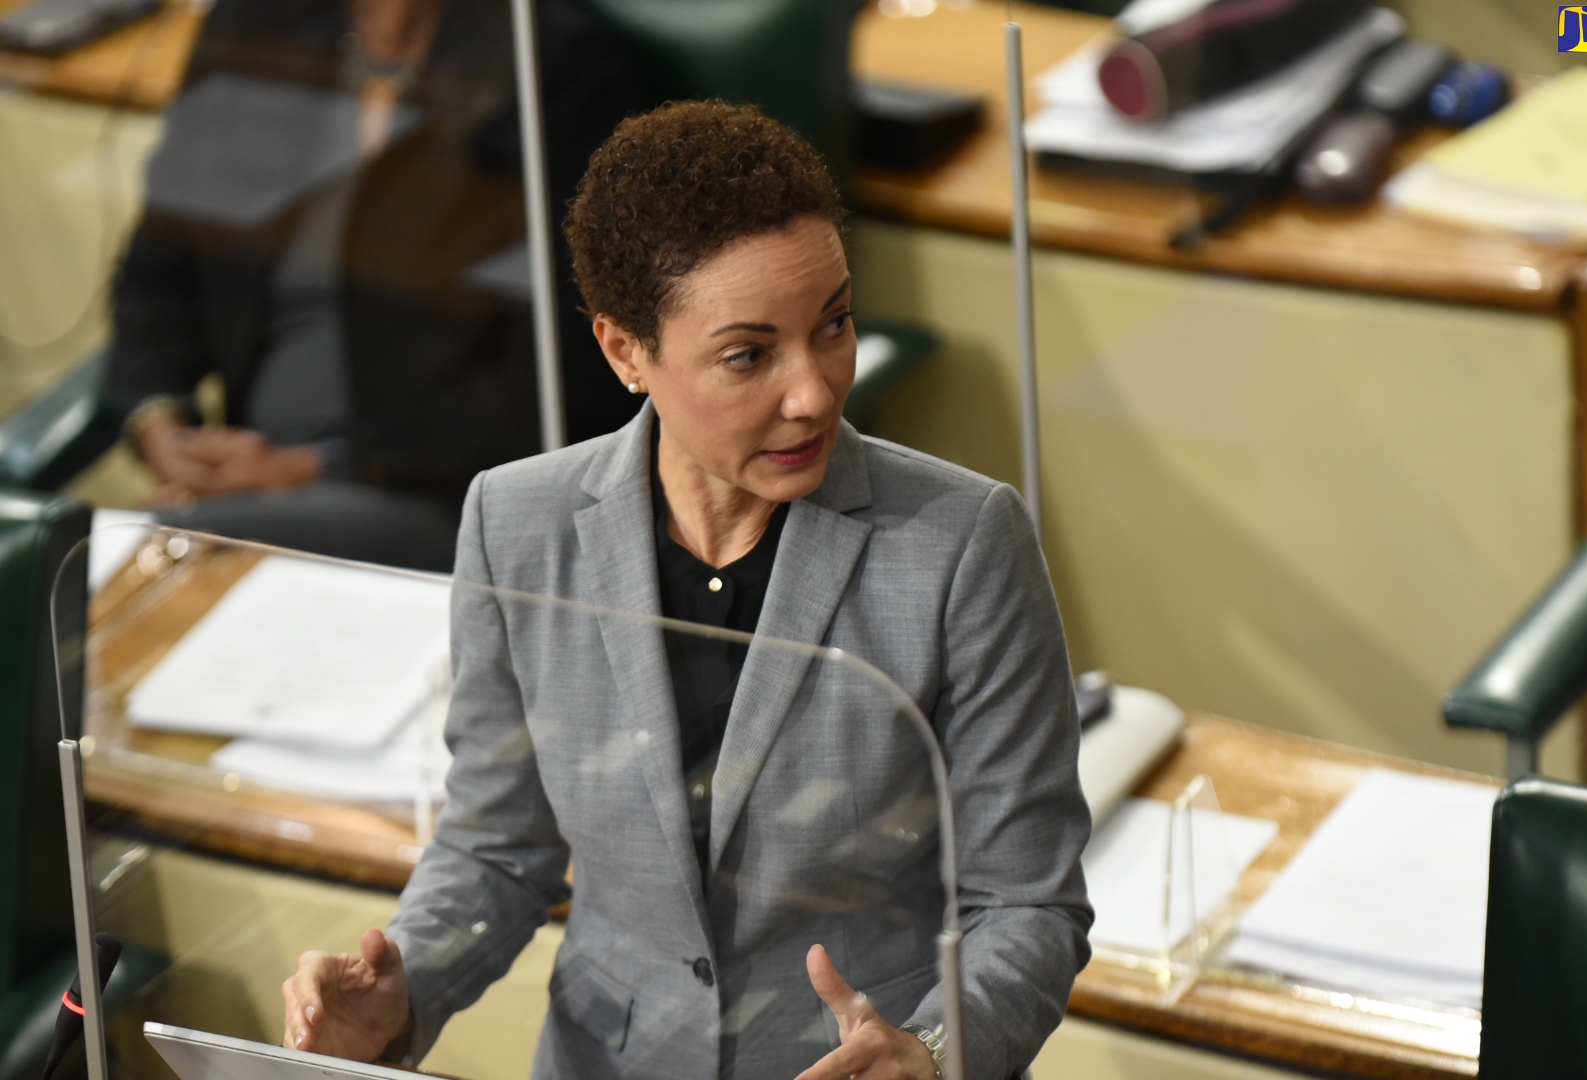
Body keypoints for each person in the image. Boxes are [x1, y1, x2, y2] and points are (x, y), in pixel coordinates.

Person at [279, 102, 1093, 1079]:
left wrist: (930, 1052)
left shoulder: (964, 545)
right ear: (626, 352)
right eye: (749, 355)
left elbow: (1027, 904)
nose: (816, 391)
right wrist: (409, 985)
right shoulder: (516, 525)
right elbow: (499, 850)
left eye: (833, 324)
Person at [106, 0, 645, 571]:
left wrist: (319, 468)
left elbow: (566, 374)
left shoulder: (550, 68)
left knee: (141, 569)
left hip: (443, 496)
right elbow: (159, 267)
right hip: (248, 486)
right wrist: (163, 427)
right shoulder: (256, 25)